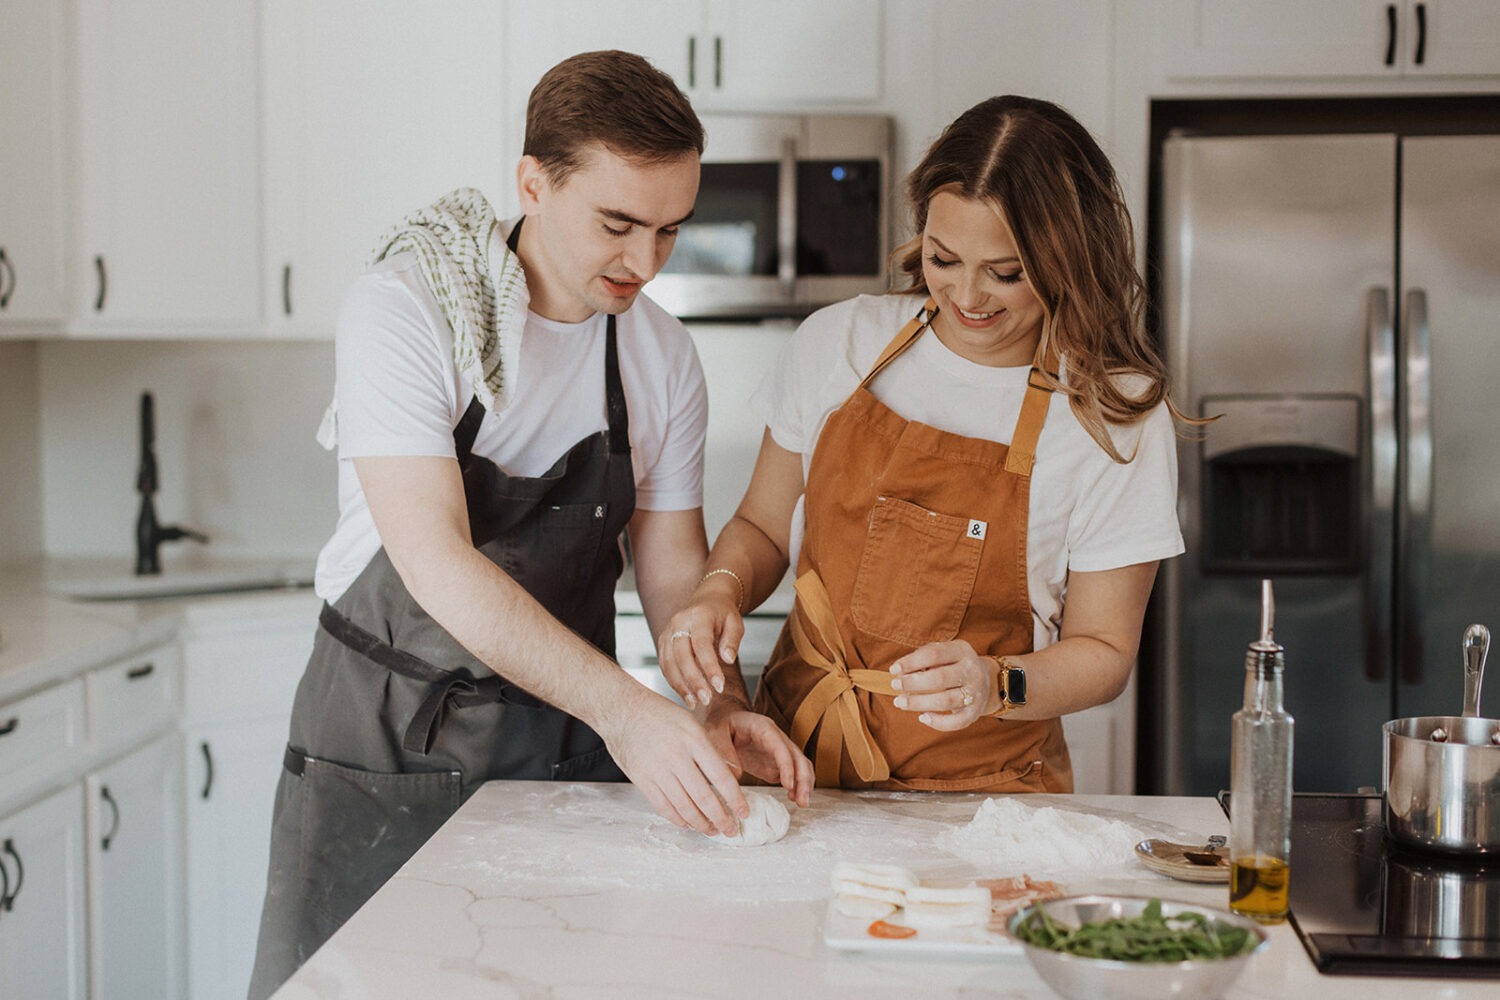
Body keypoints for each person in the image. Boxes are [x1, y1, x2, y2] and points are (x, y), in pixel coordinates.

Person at [248, 50, 812, 999]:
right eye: (618, 224)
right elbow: (434, 560)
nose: (646, 262)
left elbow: (674, 573)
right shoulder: (409, 310)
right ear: (532, 184)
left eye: (672, 229)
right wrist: (630, 710)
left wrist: (718, 707)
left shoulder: (662, 358)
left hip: (556, 748)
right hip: (384, 747)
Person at [659, 95, 1186, 794]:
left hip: (985, 798)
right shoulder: (840, 343)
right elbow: (761, 526)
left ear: (1069, 259)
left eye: (1007, 272)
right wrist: (719, 591)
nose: (968, 295)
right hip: (794, 768)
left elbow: (1106, 652)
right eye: (944, 258)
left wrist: (996, 683)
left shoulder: (1114, 415)